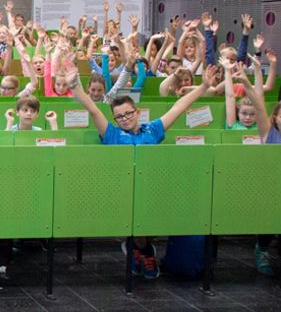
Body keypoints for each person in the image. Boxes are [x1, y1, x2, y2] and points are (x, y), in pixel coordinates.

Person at [68, 65, 217, 279]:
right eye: (119, 117)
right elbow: (93, 109)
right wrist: (75, 86)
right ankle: (143, 251)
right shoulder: (111, 134)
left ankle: (140, 248)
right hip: (123, 192)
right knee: (136, 222)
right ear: (115, 120)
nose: (125, 118)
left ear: (137, 112)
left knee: (161, 217)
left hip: (153, 189)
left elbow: (178, 107)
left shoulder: (153, 129)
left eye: (128, 113)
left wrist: (203, 86)